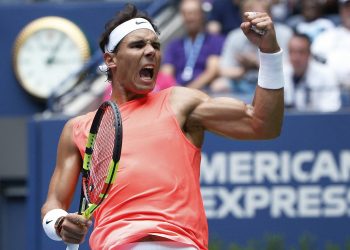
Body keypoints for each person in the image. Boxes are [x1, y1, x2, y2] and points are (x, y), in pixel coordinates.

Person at [41, 3, 284, 250]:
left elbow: (262, 125)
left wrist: (270, 52)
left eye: (155, 45)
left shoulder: (180, 102)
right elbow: (53, 204)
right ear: (110, 59)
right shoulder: (79, 128)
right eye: (138, 45)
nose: (151, 52)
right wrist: (60, 223)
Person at [210, 0, 292, 100]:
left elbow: (288, 69)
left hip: (273, 80)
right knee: (219, 85)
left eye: (259, 16)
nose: (255, 22)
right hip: (243, 82)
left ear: (270, 15)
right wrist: (245, 69)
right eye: (251, 18)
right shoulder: (234, 36)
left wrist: (257, 64)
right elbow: (223, 70)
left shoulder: (285, 33)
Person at [160, 0, 224, 90]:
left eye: (194, 13)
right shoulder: (174, 44)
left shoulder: (215, 40)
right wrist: (176, 91)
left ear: (202, 15)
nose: (190, 18)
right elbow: (166, 73)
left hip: (204, 90)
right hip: (177, 90)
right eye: (185, 14)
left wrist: (189, 90)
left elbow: (212, 71)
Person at [284, 32, 341, 112]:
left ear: (309, 53)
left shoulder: (326, 74)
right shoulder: (281, 73)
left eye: (301, 52)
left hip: (319, 122)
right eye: (292, 52)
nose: (296, 58)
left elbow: (331, 109)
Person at [311, 0, 350, 106]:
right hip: (329, 93)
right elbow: (315, 66)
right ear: (341, 10)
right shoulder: (326, 37)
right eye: (347, 8)